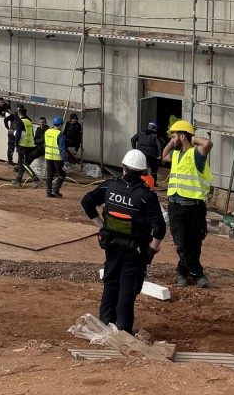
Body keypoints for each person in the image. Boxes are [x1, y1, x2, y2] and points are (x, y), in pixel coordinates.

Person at [80, 149, 165, 335]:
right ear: (143, 172)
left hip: (111, 246)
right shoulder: (146, 196)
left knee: (111, 281)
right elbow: (159, 228)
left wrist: (102, 226)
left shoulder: (108, 187)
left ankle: (104, 325)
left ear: (123, 168)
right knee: (128, 286)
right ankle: (123, 330)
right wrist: (153, 249)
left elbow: (86, 202)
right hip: (135, 251)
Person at [160, 120, 213, 288]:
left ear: (182, 136)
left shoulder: (196, 154)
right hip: (176, 206)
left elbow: (208, 143)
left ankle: (182, 272)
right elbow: (164, 155)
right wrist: (173, 139)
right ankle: (198, 274)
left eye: (174, 136)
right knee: (182, 243)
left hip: (195, 207)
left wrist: (191, 137)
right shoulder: (176, 155)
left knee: (194, 243)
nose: (172, 140)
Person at [13, 107, 41, 187]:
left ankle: (36, 179)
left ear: (19, 113)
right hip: (29, 144)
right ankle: (18, 181)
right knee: (22, 163)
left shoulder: (20, 122)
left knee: (24, 163)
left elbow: (18, 134)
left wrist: (16, 143)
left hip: (22, 145)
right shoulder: (29, 121)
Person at [45, 117, 68, 198]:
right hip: (58, 158)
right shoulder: (60, 134)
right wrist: (65, 160)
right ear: (61, 124)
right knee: (62, 174)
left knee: (49, 174)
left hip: (48, 156)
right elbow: (62, 148)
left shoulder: (47, 131)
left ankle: (48, 191)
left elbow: (45, 144)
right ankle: (56, 190)